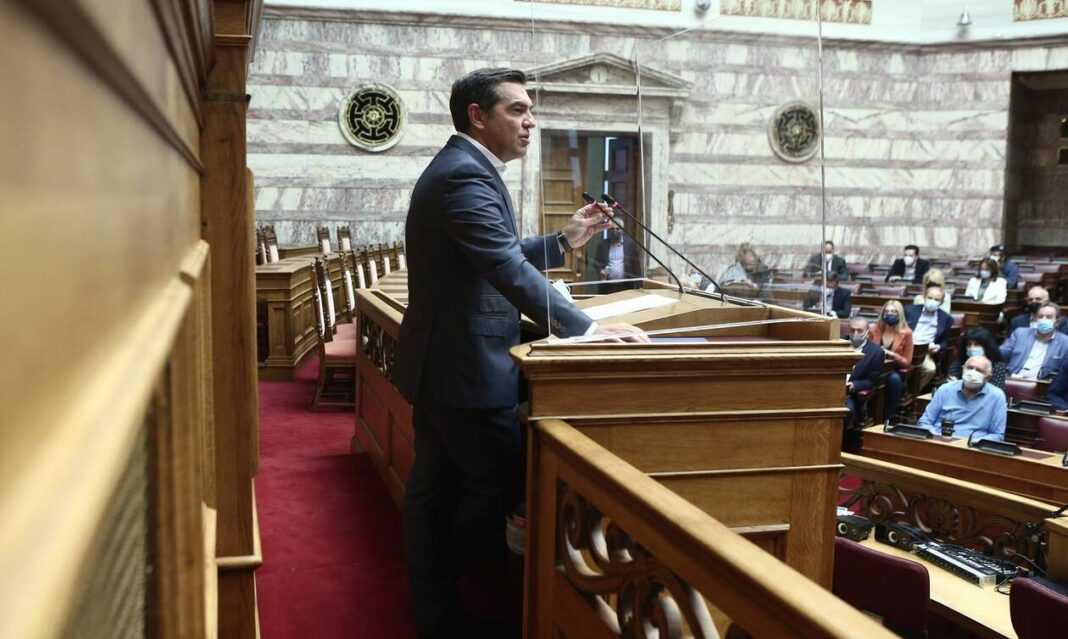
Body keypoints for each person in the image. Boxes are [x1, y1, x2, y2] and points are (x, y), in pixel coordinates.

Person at [393, 67, 647, 638]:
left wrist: (564, 240)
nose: (530, 121)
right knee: (495, 487)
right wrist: (585, 330)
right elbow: (502, 265)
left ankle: (437, 606)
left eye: (530, 110)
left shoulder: (465, 168)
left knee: (438, 489)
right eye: (517, 109)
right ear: (477, 116)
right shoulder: (464, 175)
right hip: (465, 369)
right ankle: (463, 603)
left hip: (448, 362)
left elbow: (491, 254)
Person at [918, 355, 1007, 442]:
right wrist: (936, 437)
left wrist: (972, 443)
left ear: (988, 377)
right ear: (963, 369)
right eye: (970, 368)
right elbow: (924, 422)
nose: (972, 373)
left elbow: (997, 435)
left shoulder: (997, 396)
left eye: (979, 370)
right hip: (939, 442)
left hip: (972, 447)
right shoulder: (945, 389)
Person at [844, 317, 885, 451]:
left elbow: (872, 381)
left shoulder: (876, 352)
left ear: (867, 332)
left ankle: (839, 447)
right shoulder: (838, 344)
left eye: (859, 331)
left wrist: (854, 385)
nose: (855, 334)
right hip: (830, 388)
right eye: (852, 330)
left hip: (850, 394)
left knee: (846, 411)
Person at [869, 300, 914, 420]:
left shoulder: (906, 333)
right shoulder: (873, 329)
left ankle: (889, 417)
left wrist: (891, 354)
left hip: (894, 370)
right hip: (874, 368)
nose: (889, 314)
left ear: (900, 314)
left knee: (894, 380)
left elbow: (907, 362)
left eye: (894, 312)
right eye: (887, 311)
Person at [1000, 302, 1068, 380]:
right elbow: (1000, 354)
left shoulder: (1065, 342)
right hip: (1013, 378)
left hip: (1041, 383)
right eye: (1040, 316)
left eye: (1048, 317)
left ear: (1057, 322)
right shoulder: (1020, 333)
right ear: (1036, 319)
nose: (1043, 320)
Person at [905, 285, 953, 393]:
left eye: (936, 299)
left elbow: (945, 341)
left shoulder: (946, 318)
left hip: (925, 351)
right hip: (906, 347)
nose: (932, 301)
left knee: (930, 369)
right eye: (930, 298)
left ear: (941, 302)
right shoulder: (909, 310)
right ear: (924, 297)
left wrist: (938, 347)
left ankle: (911, 394)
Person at [591, 227, 637, 294]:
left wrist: (638, 284)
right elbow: (597, 263)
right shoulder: (603, 244)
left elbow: (635, 264)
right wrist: (601, 271)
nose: (615, 231)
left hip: (626, 286)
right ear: (609, 230)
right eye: (612, 229)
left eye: (617, 229)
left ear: (622, 230)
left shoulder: (630, 244)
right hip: (607, 286)